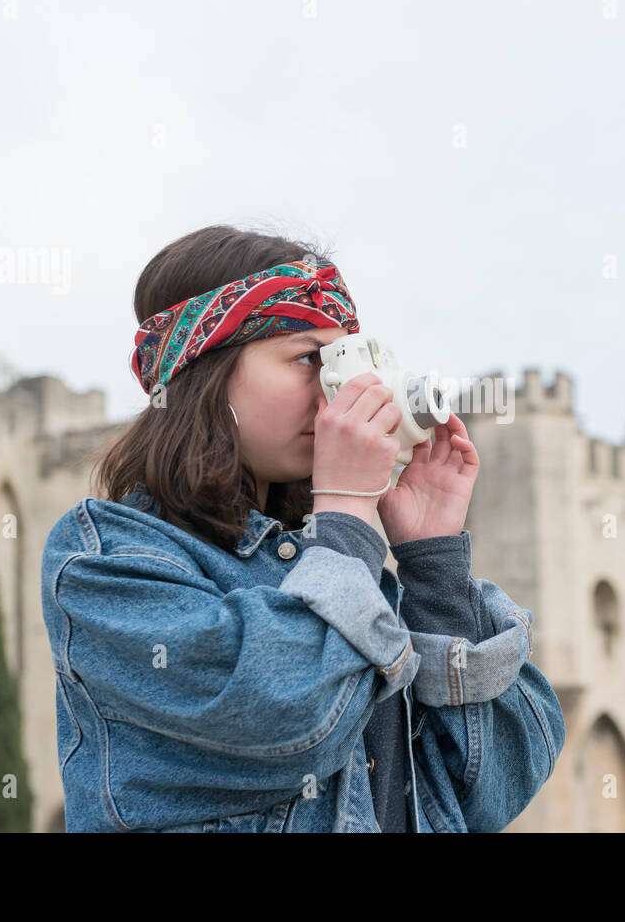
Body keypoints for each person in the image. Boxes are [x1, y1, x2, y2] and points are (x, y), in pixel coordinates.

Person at [40, 224, 565, 832]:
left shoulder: (345, 571)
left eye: (347, 361)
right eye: (311, 359)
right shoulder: (108, 563)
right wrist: (344, 514)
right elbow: (291, 718)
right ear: (205, 372)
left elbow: (492, 789)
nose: (337, 395)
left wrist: (432, 563)